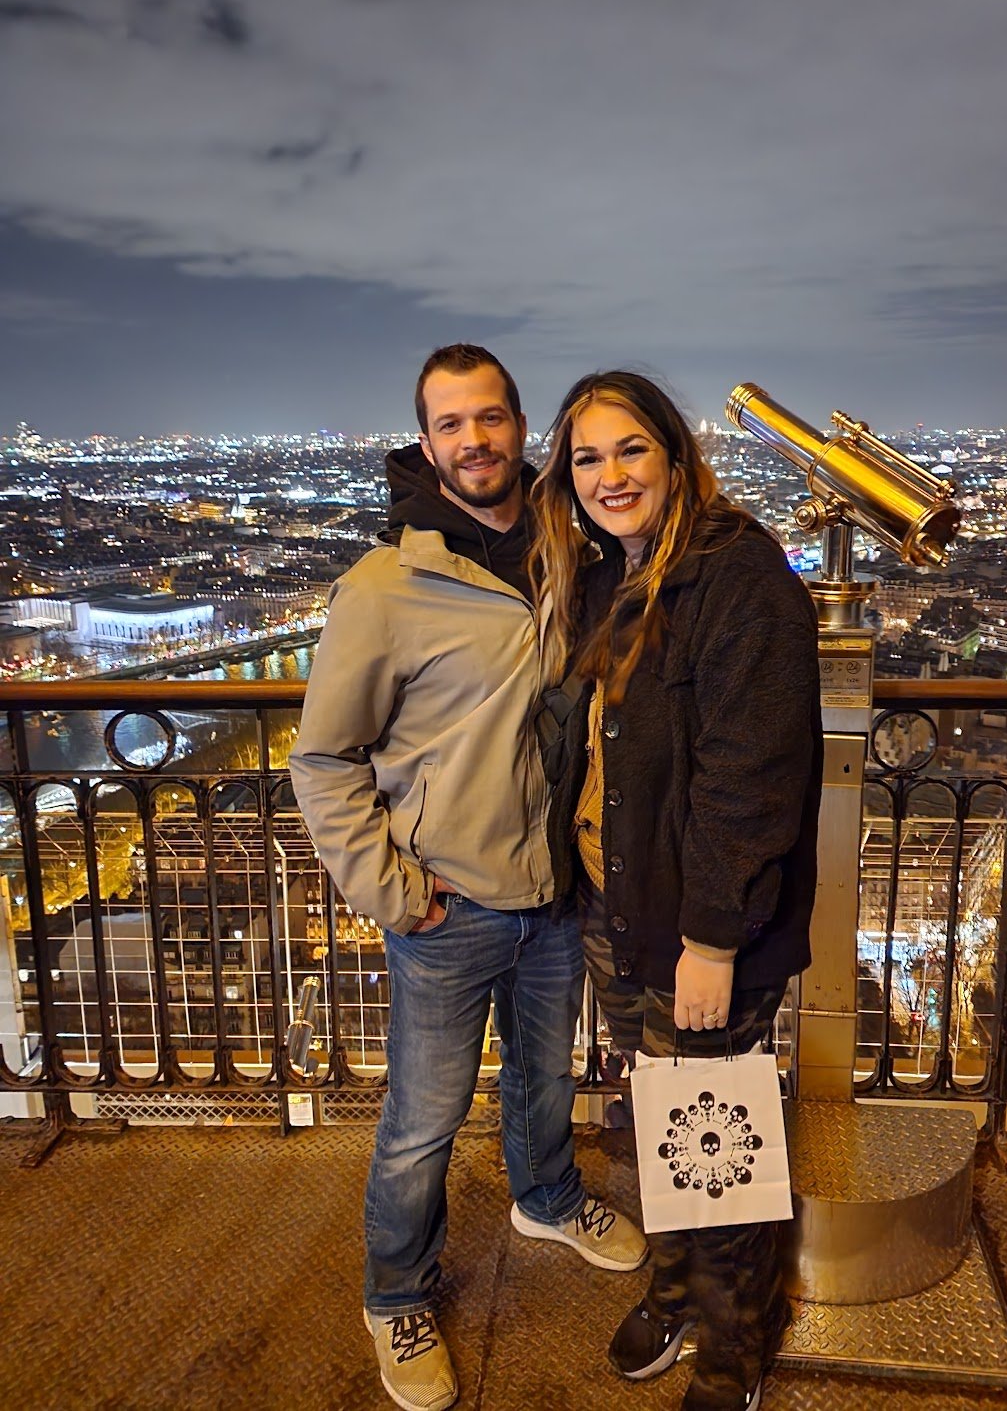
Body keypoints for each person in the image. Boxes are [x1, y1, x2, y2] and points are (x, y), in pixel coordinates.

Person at [289, 344, 646, 1411]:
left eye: (490, 419)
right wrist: (396, 894)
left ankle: (544, 1195)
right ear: (426, 440)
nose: (474, 440)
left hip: (550, 897)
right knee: (421, 1123)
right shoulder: (386, 586)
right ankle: (395, 1292)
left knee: (544, 1082)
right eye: (451, 424)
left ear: (518, 426)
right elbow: (323, 759)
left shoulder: (565, 556)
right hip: (445, 905)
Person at [531, 371, 823, 1411]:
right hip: (619, 909)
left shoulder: (739, 578)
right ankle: (675, 1286)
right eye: (585, 458)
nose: (608, 476)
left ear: (672, 454)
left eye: (628, 452)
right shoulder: (612, 573)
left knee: (717, 1134)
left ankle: (737, 1341)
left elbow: (751, 776)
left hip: (699, 928)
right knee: (661, 1113)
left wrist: (711, 937)